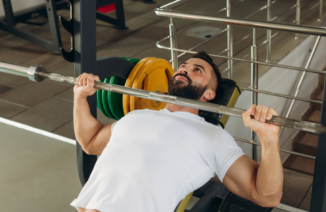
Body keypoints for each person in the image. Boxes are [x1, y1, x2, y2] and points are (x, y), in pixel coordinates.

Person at [70, 52, 283, 212]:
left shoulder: (213, 136)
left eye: (197, 70)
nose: (184, 69)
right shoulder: (137, 115)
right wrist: (80, 97)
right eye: (183, 66)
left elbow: (266, 196)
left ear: (210, 93)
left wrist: (268, 137)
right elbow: (90, 142)